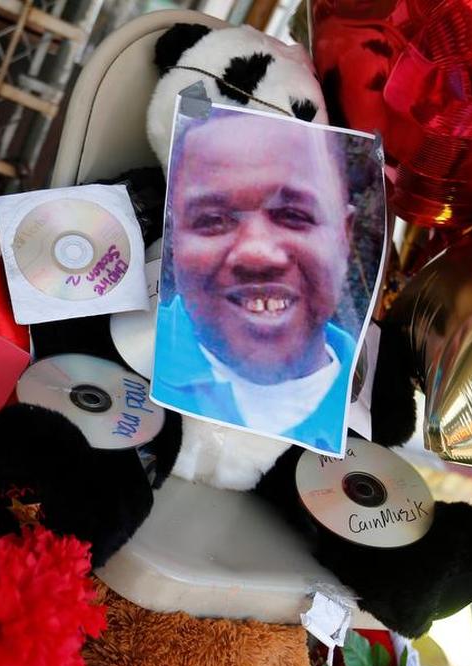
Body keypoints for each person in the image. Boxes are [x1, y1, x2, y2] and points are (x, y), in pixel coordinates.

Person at [153, 110, 359, 454]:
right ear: (174, 237)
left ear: (344, 237)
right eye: (213, 219)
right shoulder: (115, 354)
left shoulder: (370, 413)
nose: (258, 253)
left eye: (294, 216)